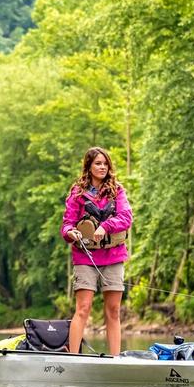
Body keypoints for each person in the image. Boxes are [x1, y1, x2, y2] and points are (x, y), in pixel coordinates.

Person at [61, 146, 132, 355]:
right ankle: (73, 357)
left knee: (113, 310)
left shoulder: (117, 190)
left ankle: (115, 359)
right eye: (98, 163)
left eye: (105, 164)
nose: (102, 167)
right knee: (83, 309)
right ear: (89, 167)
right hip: (85, 257)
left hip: (114, 257)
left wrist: (105, 226)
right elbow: (67, 224)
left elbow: (126, 217)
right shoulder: (77, 193)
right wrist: (70, 233)